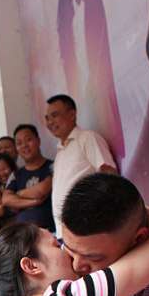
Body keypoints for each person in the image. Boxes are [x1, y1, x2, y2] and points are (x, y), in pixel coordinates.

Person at [44, 93, 117, 234]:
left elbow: (110, 176)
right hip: (65, 231)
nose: (50, 122)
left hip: (88, 224)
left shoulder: (87, 138)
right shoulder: (60, 150)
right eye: (47, 118)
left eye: (55, 115)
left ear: (72, 114)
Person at [3, 124, 55, 232]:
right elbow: (6, 199)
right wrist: (35, 202)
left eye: (28, 140)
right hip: (23, 235)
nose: (25, 146)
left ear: (38, 141)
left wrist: (18, 194)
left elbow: (41, 191)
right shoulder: (16, 174)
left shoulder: (53, 166)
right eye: (19, 143)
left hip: (50, 231)